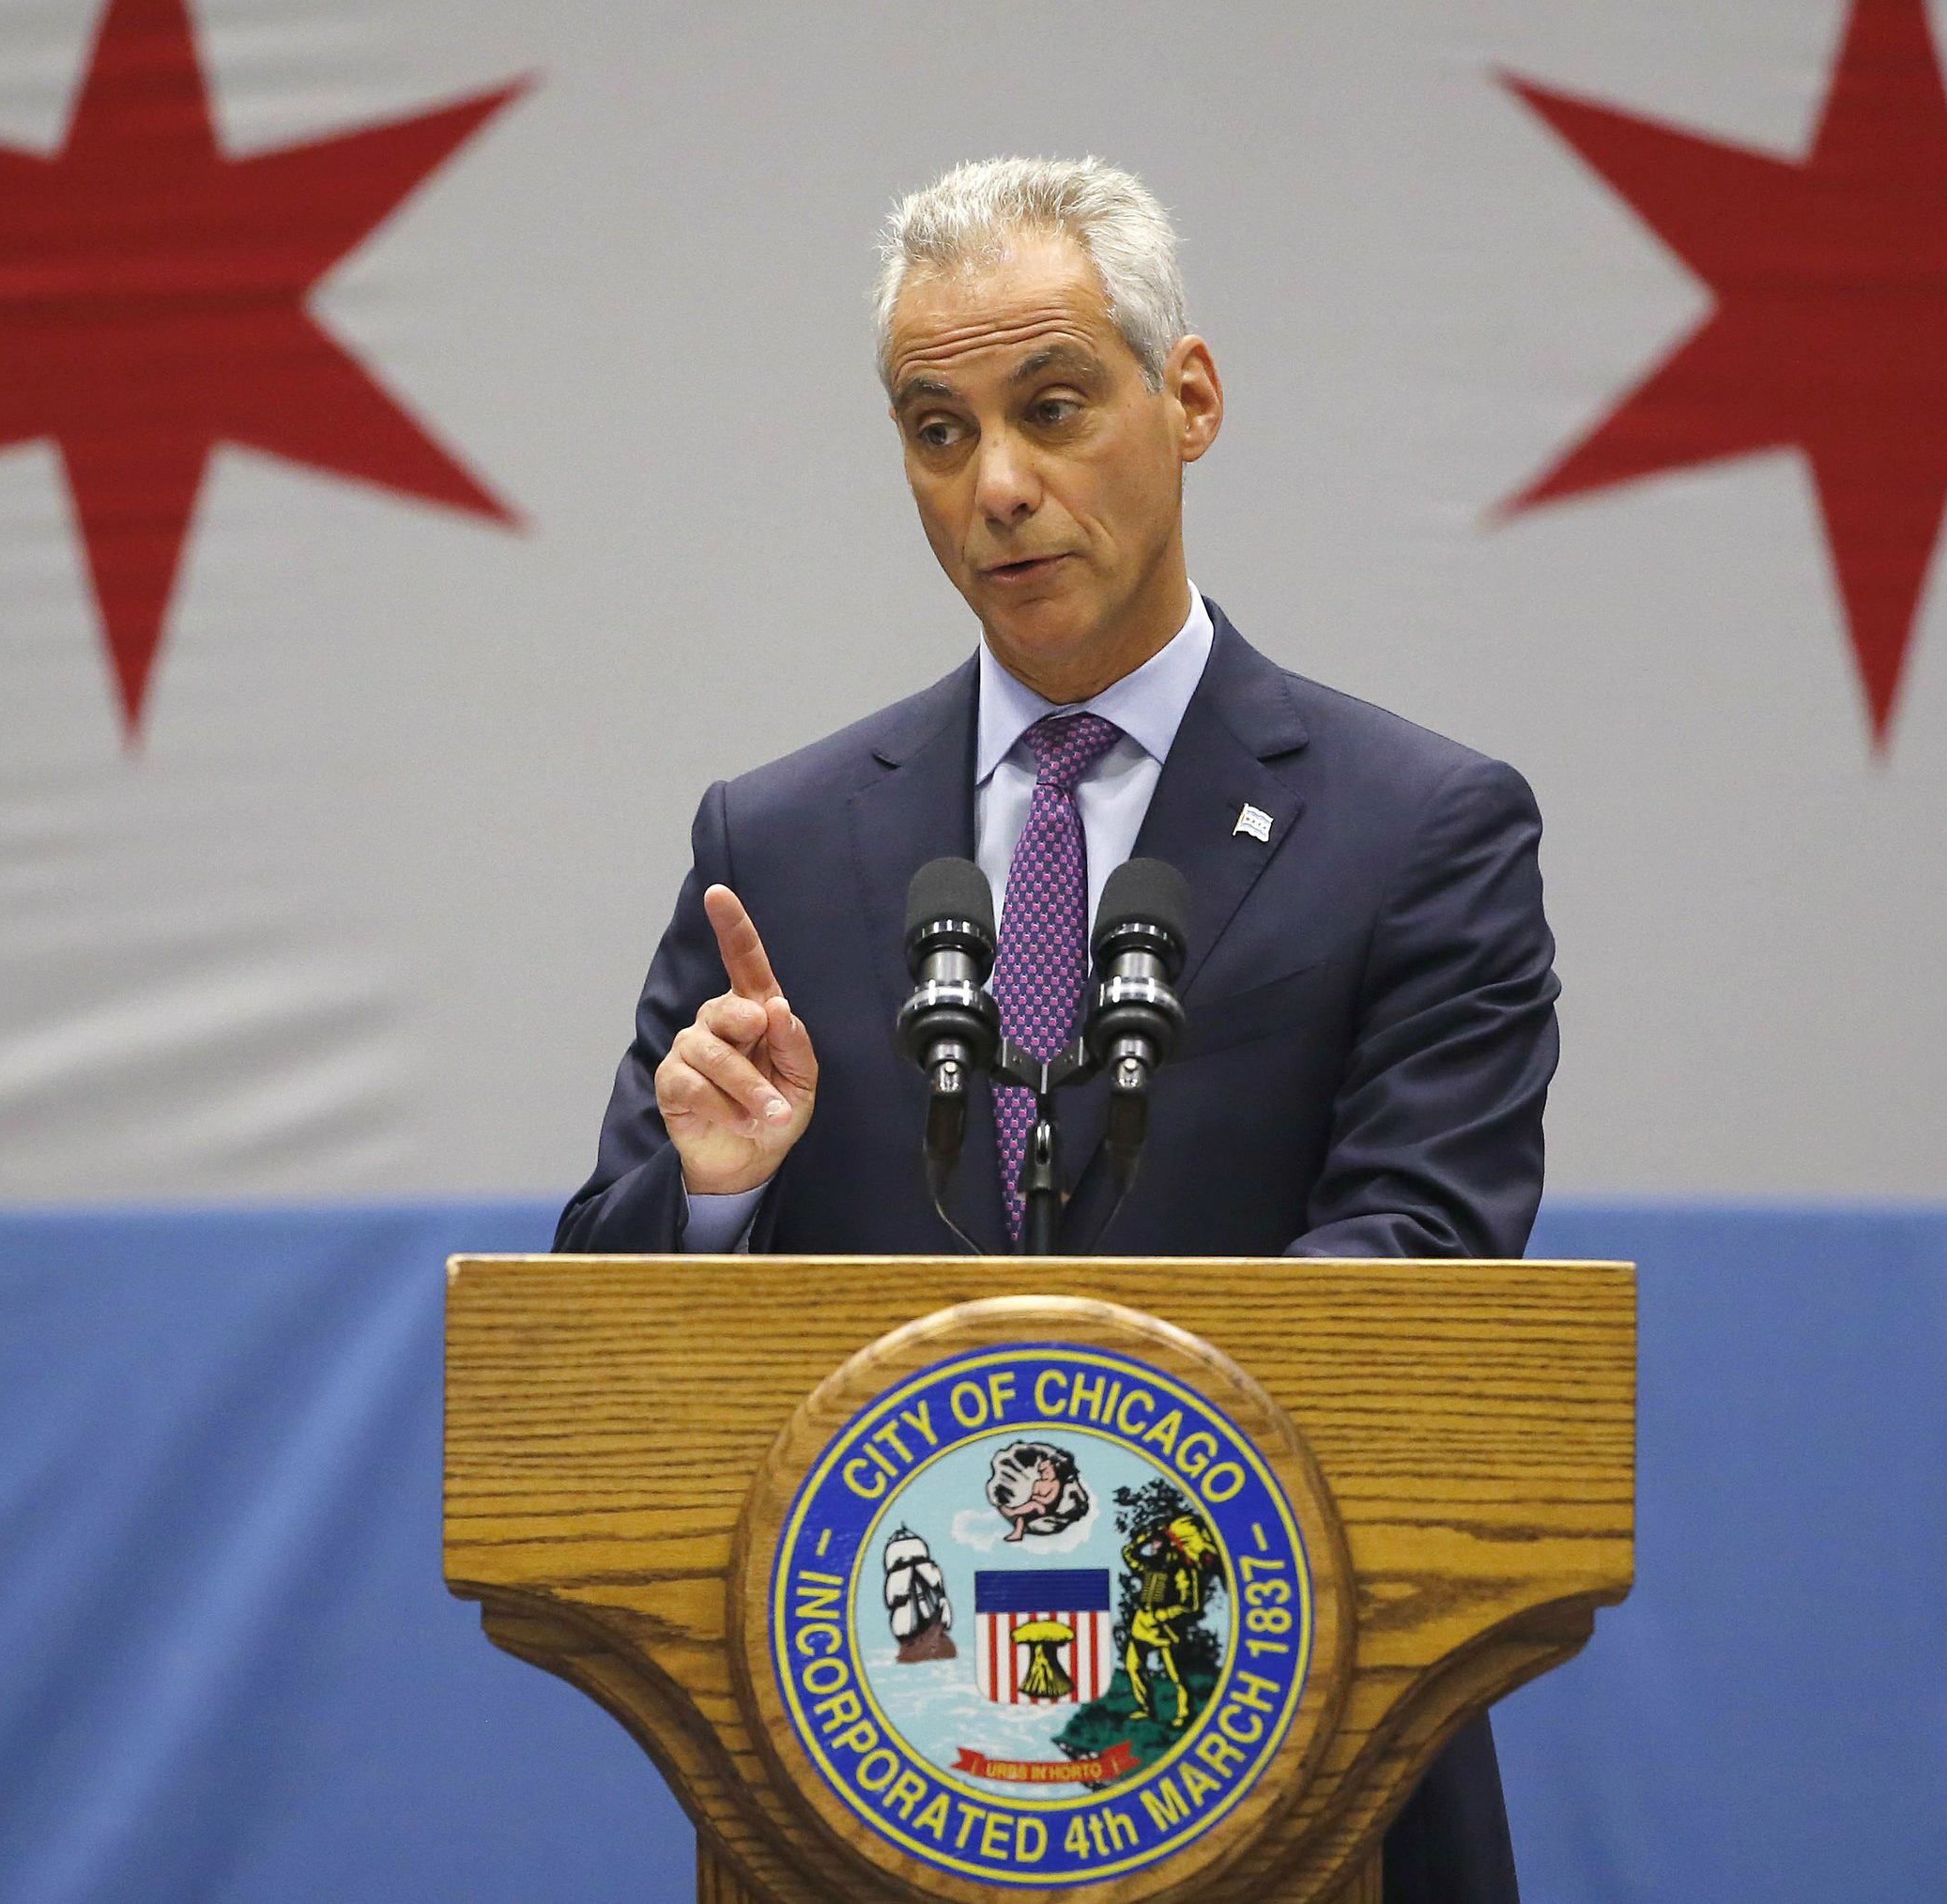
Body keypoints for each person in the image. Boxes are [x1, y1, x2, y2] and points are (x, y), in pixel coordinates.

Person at [556, 156, 1555, 1903]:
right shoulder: (777, 842)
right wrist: (717, 1200)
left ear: (1191, 400)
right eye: (938, 432)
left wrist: (1113, 1462)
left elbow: (1423, 1261)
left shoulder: (1421, 828)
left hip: (1291, 1766)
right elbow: (595, 1339)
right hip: (867, 1786)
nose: (999, 486)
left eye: (1055, 407)